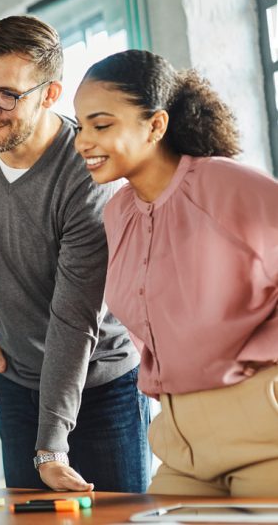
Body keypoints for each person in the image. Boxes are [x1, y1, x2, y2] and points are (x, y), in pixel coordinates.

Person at [0, 15, 148, 493]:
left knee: (117, 520)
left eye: (8, 95)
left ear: (50, 94)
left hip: (101, 385)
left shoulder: (87, 176)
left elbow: (74, 319)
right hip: (16, 379)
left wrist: (52, 447)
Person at [74, 49, 278, 496]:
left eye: (101, 125)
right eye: (80, 127)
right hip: (178, 443)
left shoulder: (226, 185)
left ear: (156, 125)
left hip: (263, 432)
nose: (82, 142)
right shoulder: (117, 214)